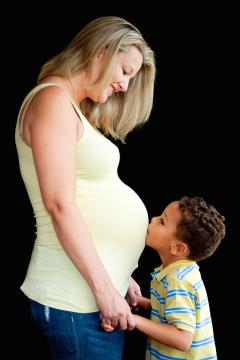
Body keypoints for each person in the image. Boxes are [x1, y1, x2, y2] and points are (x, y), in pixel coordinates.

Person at [15, 16, 156, 360]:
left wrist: (117, 275)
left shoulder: (69, 107)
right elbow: (59, 204)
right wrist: (104, 288)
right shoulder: (51, 101)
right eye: (124, 70)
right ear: (101, 51)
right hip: (78, 300)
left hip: (92, 296)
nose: (124, 85)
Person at [102, 196, 225, 359]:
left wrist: (134, 319)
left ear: (178, 248)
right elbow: (171, 312)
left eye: (162, 221)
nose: (153, 219)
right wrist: (142, 302)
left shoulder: (178, 281)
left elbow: (182, 339)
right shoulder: (181, 272)